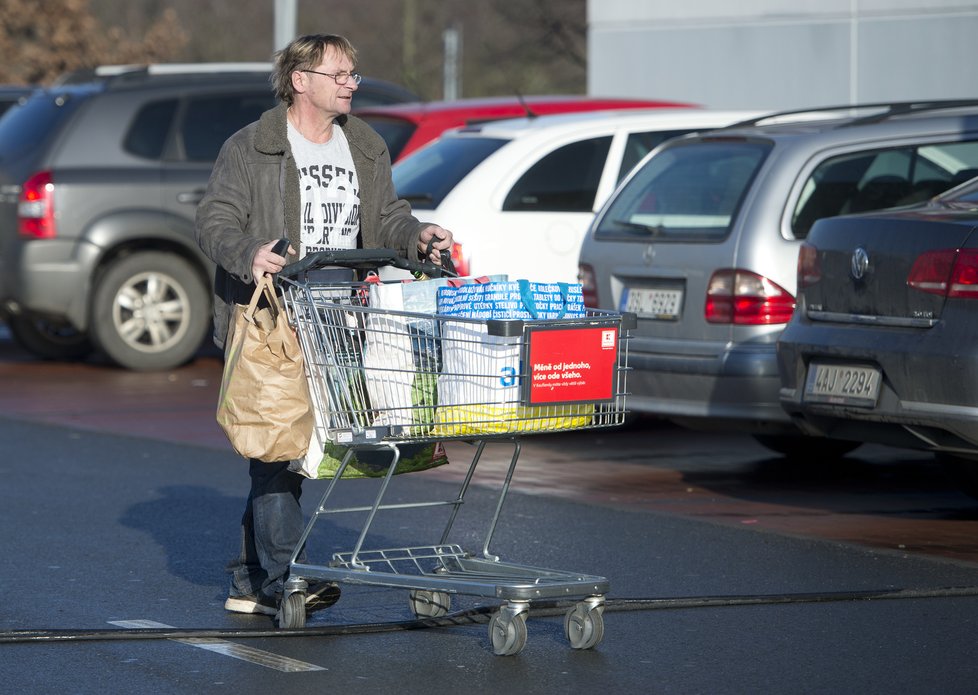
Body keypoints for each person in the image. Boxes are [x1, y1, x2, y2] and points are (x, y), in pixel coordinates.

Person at [195, 33, 453, 618]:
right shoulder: (252, 147)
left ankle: (249, 576)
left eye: (353, 75)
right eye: (338, 74)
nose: (350, 84)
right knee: (280, 447)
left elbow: (386, 216)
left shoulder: (363, 145)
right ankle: (288, 577)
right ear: (299, 80)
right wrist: (249, 252)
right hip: (271, 318)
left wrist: (416, 235)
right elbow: (214, 219)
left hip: (342, 315)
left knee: (295, 447)